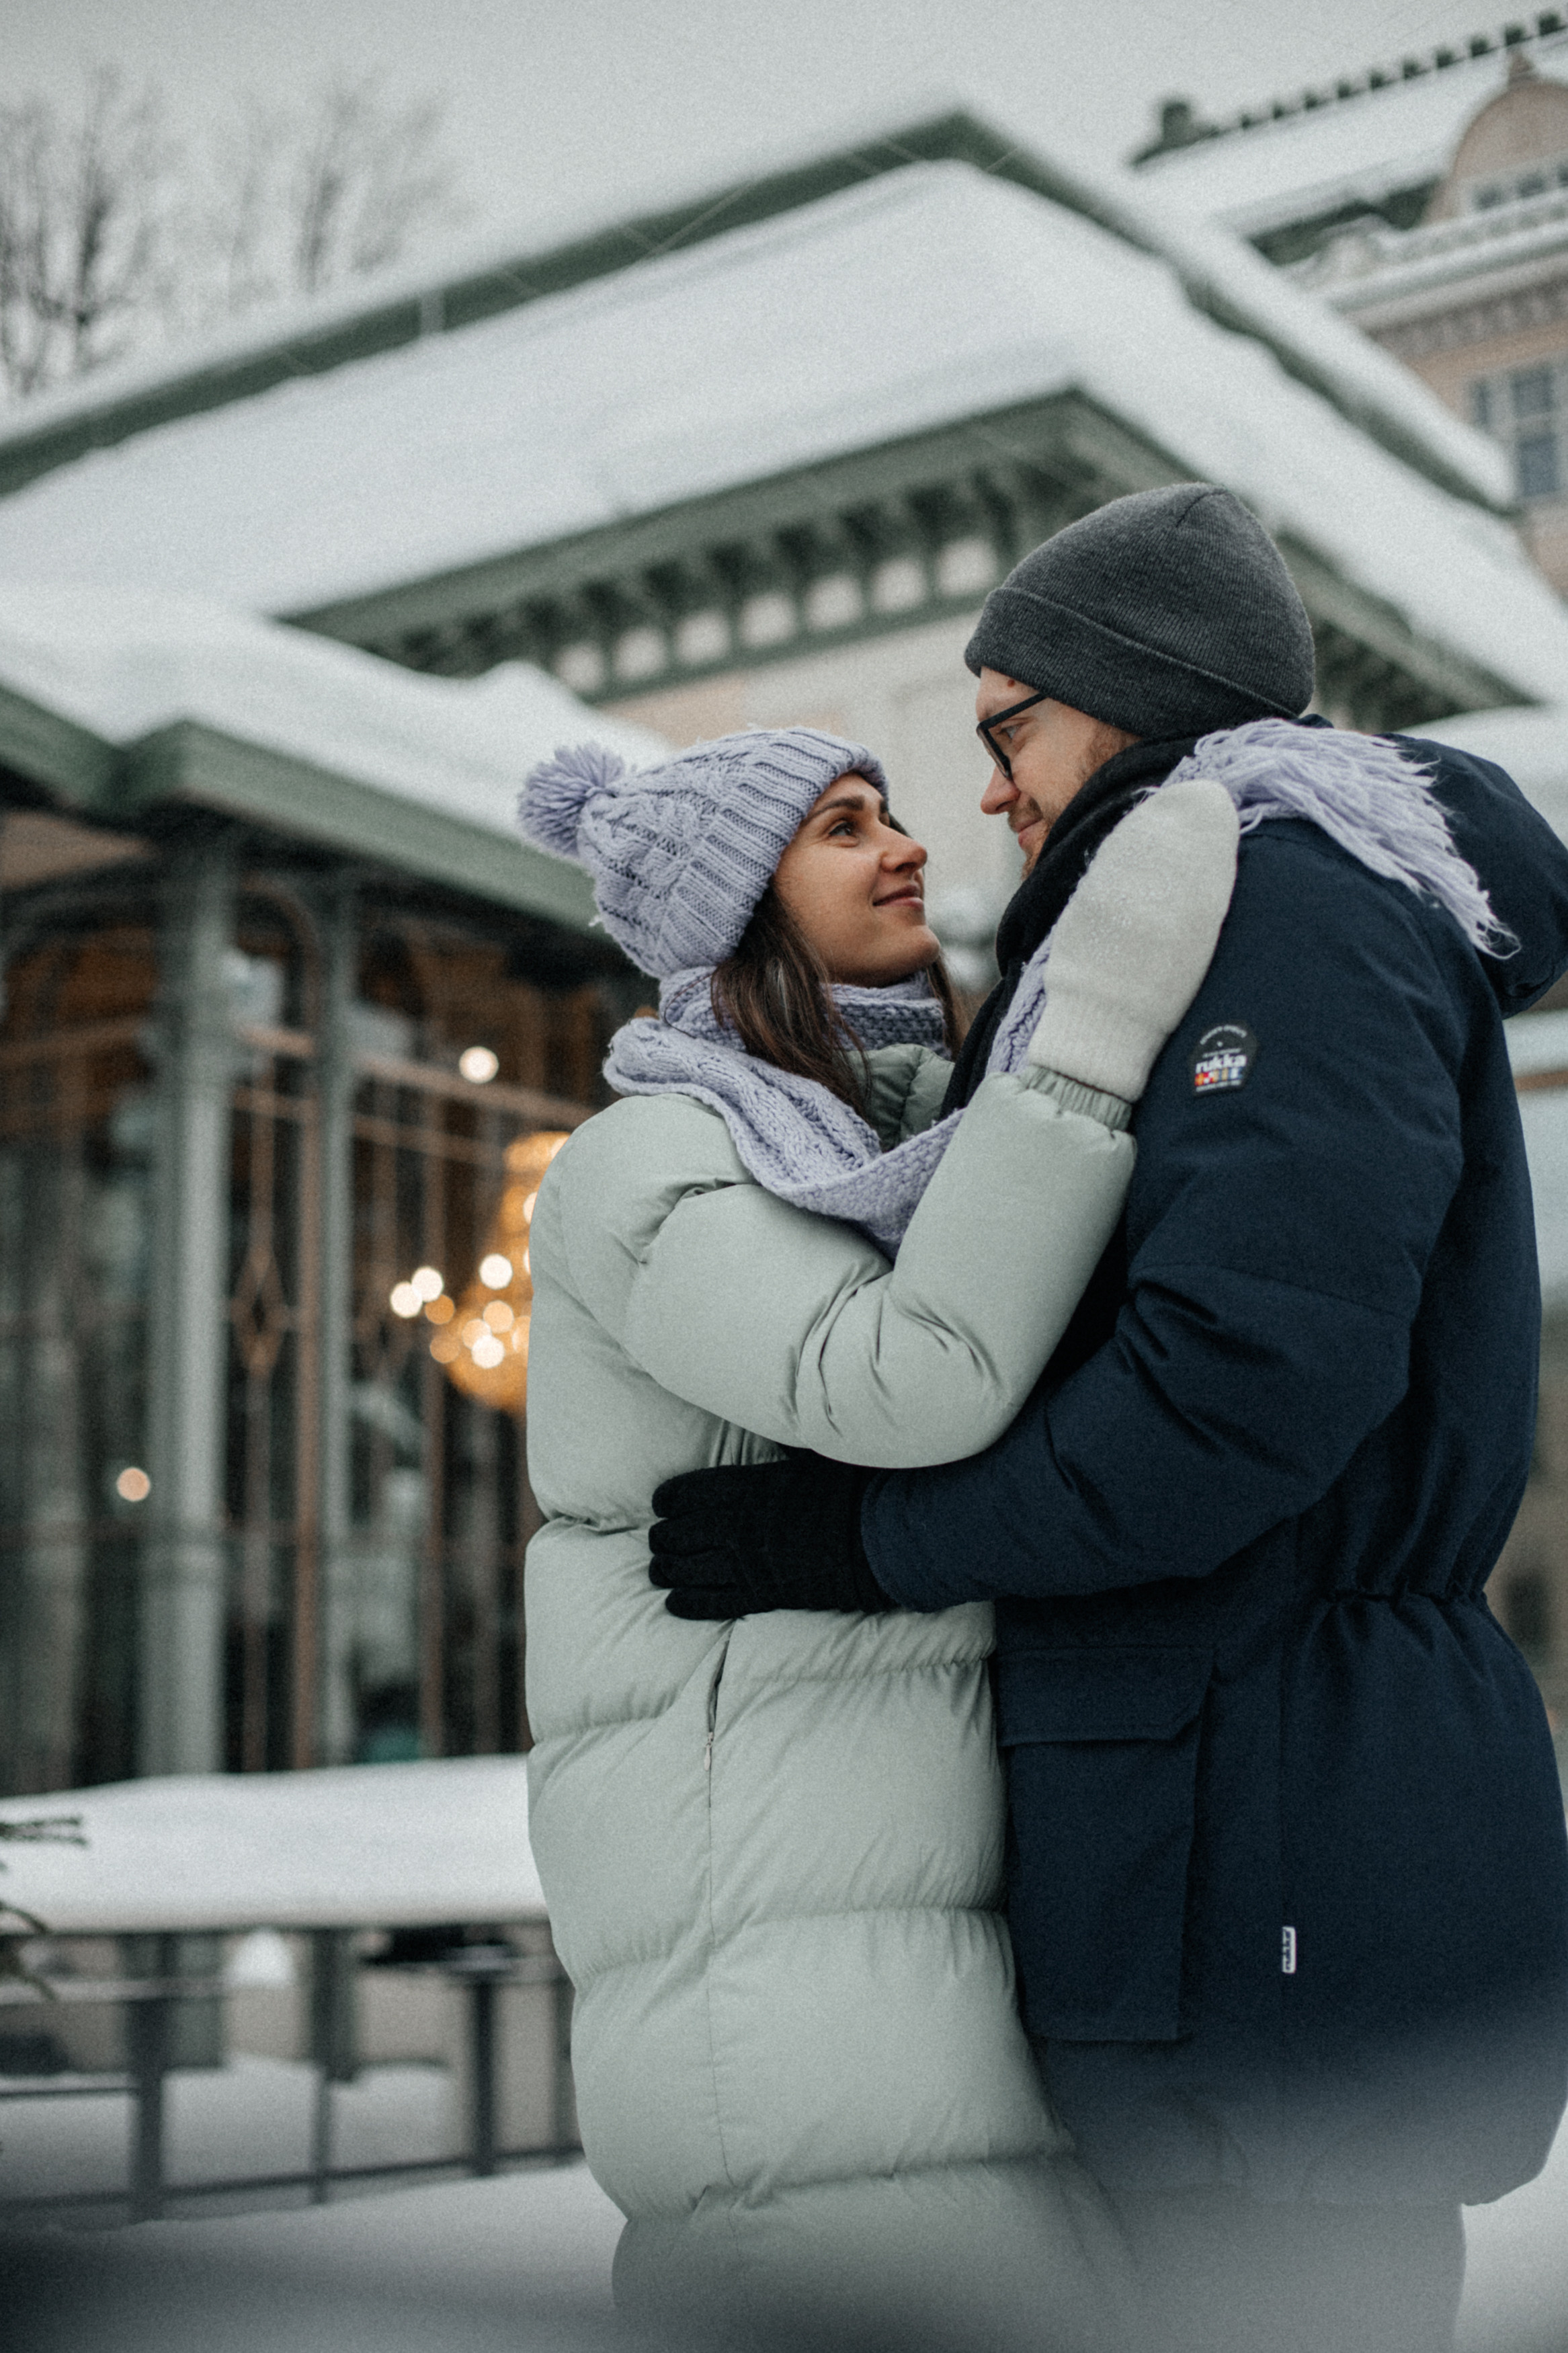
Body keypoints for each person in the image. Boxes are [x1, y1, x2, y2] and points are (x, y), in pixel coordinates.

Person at [649, 485, 1568, 2353]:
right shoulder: (1215, 906)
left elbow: (1235, 1391)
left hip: (1264, 1824)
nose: (984, 790)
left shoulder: (1285, 908)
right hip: (1225, 1801)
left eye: (1005, 728)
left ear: (1132, 699)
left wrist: (862, 1540)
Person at [516, 721, 1239, 2348]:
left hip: (898, 1942)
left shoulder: (880, 1156)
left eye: (895, 812)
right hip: (772, 1970)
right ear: (734, 908)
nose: (907, 842)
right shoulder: (649, 1165)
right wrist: (1096, 1028)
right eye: (843, 826)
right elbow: (915, 1378)